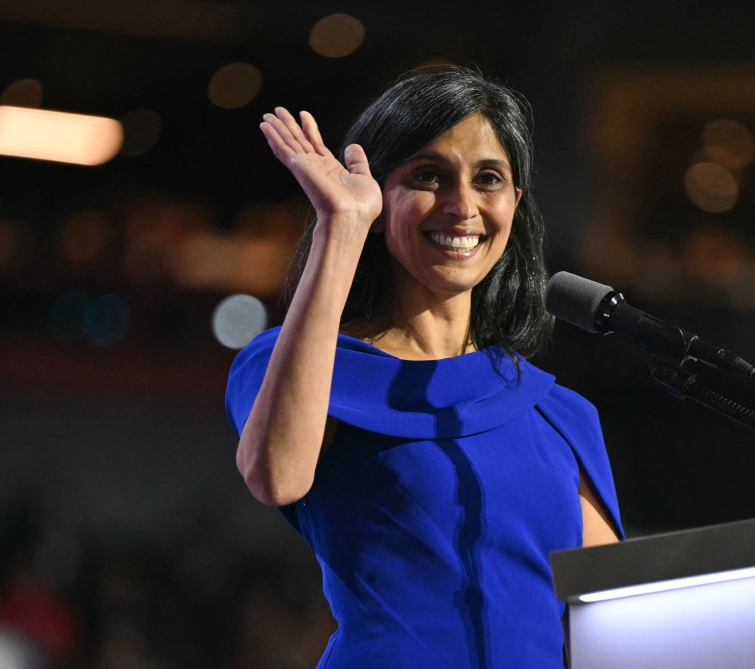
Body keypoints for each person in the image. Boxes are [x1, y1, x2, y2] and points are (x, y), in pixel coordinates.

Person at [225, 69, 623, 669]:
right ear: (379, 200)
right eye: (428, 177)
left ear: (514, 204)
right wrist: (343, 226)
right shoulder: (305, 364)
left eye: (488, 178)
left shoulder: (559, 413)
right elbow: (276, 476)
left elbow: (609, 623)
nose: (463, 205)